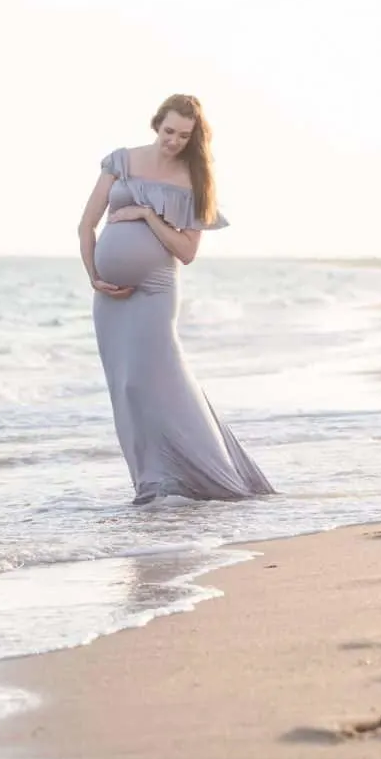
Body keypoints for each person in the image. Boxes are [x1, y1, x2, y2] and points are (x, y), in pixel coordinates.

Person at [77, 93, 275, 505]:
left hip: (155, 291)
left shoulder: (194, 179)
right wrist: (95, 276)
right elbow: (86, 224)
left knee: (152, 382)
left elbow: (186, 252)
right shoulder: (121, 161)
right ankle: (151, 483)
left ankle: (209, 477)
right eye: (169, 131)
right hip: (110, 299)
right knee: (125, 390)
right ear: (156, 124)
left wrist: (147, 214)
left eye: (184, 136)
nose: (173, 141)